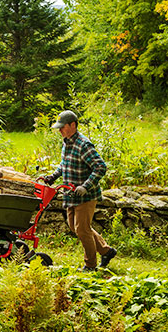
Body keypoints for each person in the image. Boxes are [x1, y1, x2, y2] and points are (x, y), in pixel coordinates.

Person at [43, 110, 117, 271]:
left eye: (62, 127)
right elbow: (64, 165)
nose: (60, 130)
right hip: (71, 194)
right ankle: (106, 251)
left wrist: (86, 186)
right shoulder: (66, 142)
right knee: (75, 227)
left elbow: (100, 167)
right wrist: (53, 176)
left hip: (86, 195)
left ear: (73, 125)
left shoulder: (84, 145)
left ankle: (90, 265)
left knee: (82, 230)